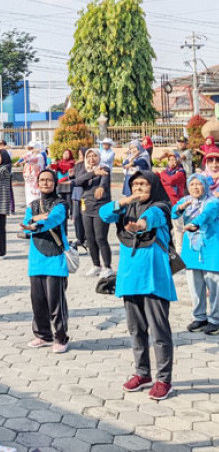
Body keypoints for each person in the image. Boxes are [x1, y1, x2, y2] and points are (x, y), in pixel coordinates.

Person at [100, 171, 177, 400]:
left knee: (159, 330)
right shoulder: (125, 208)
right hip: (130, 277)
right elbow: (104, 214)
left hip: (154, 278)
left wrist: (141, 224)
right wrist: (124, 201)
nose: (139, 188)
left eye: (143, 184)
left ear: (153, 186)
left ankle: (164, 379)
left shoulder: (161, 206)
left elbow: (152, 218)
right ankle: (142, 373)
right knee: (136, 330)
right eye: (135, 185)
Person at [21, 169, 70, 354]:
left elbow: (53, 220)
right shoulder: (32, 205)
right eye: (42, 180)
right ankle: (43, 335)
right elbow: (26, 226)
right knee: (38, 300)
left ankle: (61, 337)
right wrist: (33, 220)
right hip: (36, 259)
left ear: (55, 183)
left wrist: (36, 224)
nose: (45, 183)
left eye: (49, 180)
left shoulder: (61, 204)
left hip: (55, 257)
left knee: (55, 301)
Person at [172, 174, 219, 334]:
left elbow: (206, 215)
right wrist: (179, 208)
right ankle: (200, 317)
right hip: (192, 251)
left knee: (214, 287)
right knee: (195, 287)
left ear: (205, 186)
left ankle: (215, 320)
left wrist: (194, 224)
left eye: (199, 184)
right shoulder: (186, 201)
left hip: (211, 250)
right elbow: (173, 213)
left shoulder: (213, 201)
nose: (195, 187)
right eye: (192, 184)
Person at [75, 149, 113, 278]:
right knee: (90, 239)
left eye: (94, 156)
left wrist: (101, 187)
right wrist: (92, 173)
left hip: (101, 207)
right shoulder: (84, 169)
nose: (92, 159)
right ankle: (96, 265)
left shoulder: (104, 168)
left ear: (99, 157)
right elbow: (78, 181)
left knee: (100, 238)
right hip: (87, 207)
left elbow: (104, 182)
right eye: (89, 156)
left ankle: (108, 267)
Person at [159, 153, 186, 245]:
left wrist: (164, 178)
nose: (172, 162)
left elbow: (171, 180)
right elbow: (164, 177)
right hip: (166, 202)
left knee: (178, 227)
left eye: (174, 159)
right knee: (167, 226)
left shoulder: (181, 172)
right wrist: (164, 176)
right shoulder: (165, 172)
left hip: (177, 202)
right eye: (170, 160)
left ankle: (180, 249)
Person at [49, 149, 75, 220]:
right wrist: (53, 165)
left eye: (67, 154)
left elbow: (68, 166)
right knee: (61, 200)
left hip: (68, 184)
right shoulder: (60, 162)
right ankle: (65, 214)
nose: (65, 155)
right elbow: (54, 167)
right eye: (64, 154)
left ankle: (72, 213)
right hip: (60, 184)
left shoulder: (71, 162)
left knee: (69, 200)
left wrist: (58, 165)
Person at [70, 147, 87, 249]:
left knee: (85, 217)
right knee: (76, 217)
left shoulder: (88, 167)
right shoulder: (77, 165)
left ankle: (87, 238)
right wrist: (71, 176)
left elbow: (82, 180)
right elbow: (74, 180)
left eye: (82, 154)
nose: (80, 156)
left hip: (85, 195)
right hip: (76, 194)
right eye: (79, 154)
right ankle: (79, 238)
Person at [20, 141, 46, 207]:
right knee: (29, 197)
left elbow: (33, 160)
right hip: (29, 181)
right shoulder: (29, 155)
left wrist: (27, 160)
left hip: (36, 180)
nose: (31, 150)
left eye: (32, 148)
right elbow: (24, 159)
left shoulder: (40, 156)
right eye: (30, 148)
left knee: (36, 197)